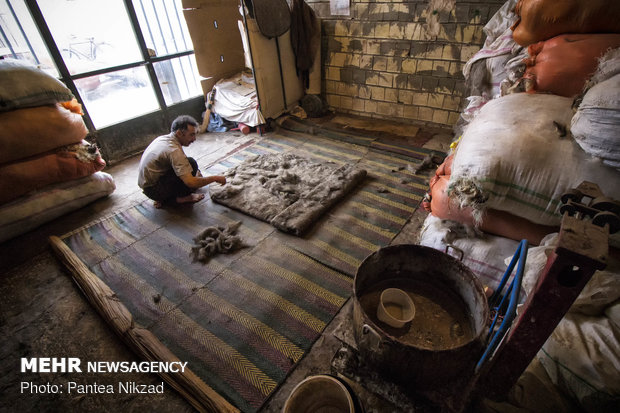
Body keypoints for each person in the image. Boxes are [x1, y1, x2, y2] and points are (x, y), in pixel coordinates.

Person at [138, 115, 226, 208]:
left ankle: (165, 197)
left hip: (149, 186)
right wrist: (215, 178)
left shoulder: (164, 138)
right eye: (191, 135)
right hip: (154, 191)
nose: (194, 139)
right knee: (191, 165)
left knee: (189, 162)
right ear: (179, 133)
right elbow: (191, 183)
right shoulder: (173, 150)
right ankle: (182, 198)